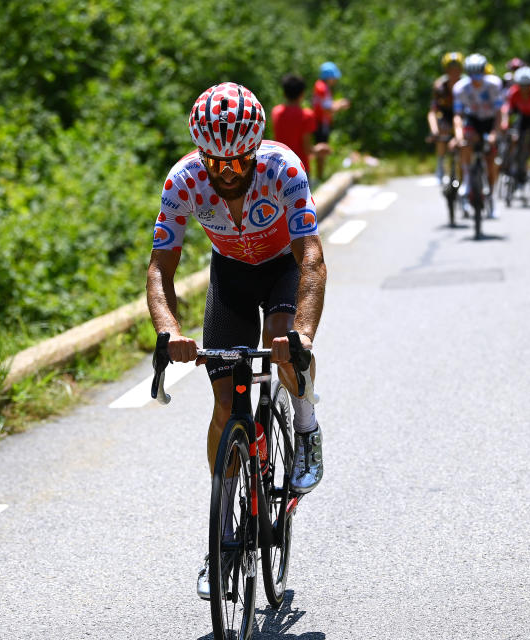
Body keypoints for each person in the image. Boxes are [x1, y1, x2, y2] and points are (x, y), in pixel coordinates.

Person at [146, 81, 327, 599]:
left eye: (237, 161)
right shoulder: (182, 181)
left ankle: (307, 425)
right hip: (229, 272)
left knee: (282, 345)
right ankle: (221, 531)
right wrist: (169, 331)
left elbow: (311, 260)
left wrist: (304, 335)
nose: (225, 172)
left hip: (281, 270)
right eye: (214, 162)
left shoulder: (284, 169)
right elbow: (161, 267)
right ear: (200, 153)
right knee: (225, 407)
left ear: (255, 150)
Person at [452, 53, 504, 216]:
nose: (476, 77)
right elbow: (458, 116)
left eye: (479, 72)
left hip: (489, 121)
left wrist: (495, 133)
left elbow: (499, 112)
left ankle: (491, 196)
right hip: (472, 120)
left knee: (491, 161)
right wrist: (459, 136)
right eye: (472, 73)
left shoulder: (494, 84)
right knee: (466, 144)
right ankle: (467, 181)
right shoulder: (460, 88)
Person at [501, 65, 530, 182]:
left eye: (527, 86)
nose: (524, 89)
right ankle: (513, 163)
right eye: (522, 86)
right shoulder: (514, 92)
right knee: (515, 139)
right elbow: (508, 109)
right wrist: (505, 122)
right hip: (522, 117)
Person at [272, 73, 321, 173]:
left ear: (284, 93)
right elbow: (307, 149)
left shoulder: (276, 112)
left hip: (280, 166)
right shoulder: (307, 115)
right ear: (302, 94)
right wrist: (319, 149)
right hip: (300, 168)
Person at [428, 52, 465, 184]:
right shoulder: (440, 86)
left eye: (457, 69)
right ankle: (440, 165)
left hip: (463, 116)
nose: (454, 72)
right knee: (441, 132)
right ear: (446, 70)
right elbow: (432, 112)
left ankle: (464, 169)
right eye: (450, 69)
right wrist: (434, 130)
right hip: (446, 116)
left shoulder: (466, 85)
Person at [312, 61, 350, 183]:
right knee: (322, 150)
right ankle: (319, 177)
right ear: (329, 77)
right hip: (321, 123)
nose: (335, 80)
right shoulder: (322, 88)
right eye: (334, 77)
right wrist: (341, 105)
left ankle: (320, 176)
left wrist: (337, 103)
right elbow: (327, 108)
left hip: (322, 122)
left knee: (322, 149)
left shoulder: (321, 87)